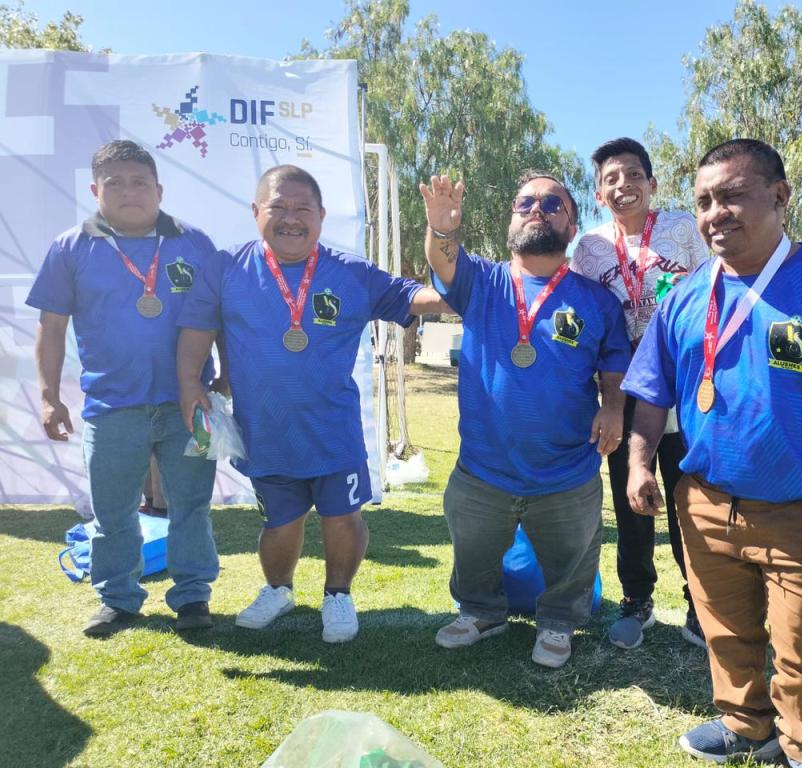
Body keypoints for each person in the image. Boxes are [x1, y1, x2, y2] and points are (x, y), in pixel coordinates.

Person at [622, 139, 802, 768]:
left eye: (731, 196)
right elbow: (650, 393)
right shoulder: (684, 297)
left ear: (780, 197)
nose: (714, 214)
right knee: (726, 632)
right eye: (703, 201)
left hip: (799, 508)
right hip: (705, 505)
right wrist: (640, 462)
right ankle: (745, 725)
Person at [177, 165, 447, 644]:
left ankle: (338, 594)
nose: (291, 218)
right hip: (265, 431)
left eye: (303, 208)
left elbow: (418, 298)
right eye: (278, 207)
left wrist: (450, 257)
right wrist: (189, 383)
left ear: (321, 215)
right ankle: (278, 590)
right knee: (279, 523)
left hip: (333, 431)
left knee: (342, 517)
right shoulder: (226, 268)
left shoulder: (351, 273)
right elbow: (197, 328)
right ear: (255, 211)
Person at [420, 170, 631, 668]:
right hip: (483, 466)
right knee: (473, 550)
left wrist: (613, 406)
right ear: (511, 219)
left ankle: (558, 622)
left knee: (572, 555)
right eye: (525, 203)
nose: (537, 209)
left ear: (572, 227)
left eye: (552, 204)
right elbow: (443, 261)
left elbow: (614, 362)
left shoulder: (597, 300)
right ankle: (480, 613)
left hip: (566, 467)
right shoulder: (482, 281)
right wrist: (442, 228)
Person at [26, 140, 223, 636]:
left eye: (140, 182)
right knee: (113, 512)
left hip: (188, 405)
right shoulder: (72, 247)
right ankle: (117, 598)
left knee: (192, 506)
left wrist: (228, 380)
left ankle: (193, 596)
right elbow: (51, 327)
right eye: (115, 183)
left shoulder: (195, 243)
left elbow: (222, 317)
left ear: (160, 189)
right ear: (96, 191)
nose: (130, 192)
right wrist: (48, 397)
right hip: (110, 407)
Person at [571, 137, 708, 650]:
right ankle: (636, 599)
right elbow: (584, 314)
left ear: (652, 183)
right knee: (630, 499)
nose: (623, 185)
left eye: (633, 175)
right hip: (624, 392)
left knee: (689, 498)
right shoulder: (590, 248)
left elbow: (711, 293)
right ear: (599, 194)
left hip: (683, 387)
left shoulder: (683, 228)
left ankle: (700, 603)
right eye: (611, 179)